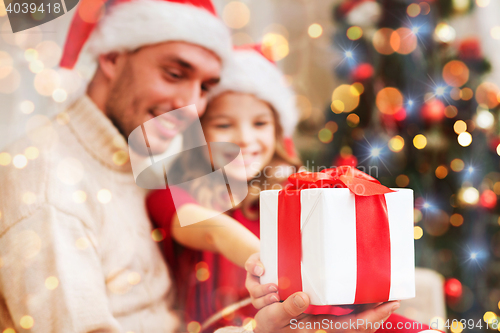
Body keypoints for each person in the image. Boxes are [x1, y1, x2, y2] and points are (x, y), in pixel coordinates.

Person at [147, 45, 302, 332]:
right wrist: (267, 264)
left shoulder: (291, 193)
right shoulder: (169, 193)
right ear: (197, 133)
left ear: (278, 131)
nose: (244, 139)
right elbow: (213, 231)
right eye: (223, 125)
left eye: (260, 123)